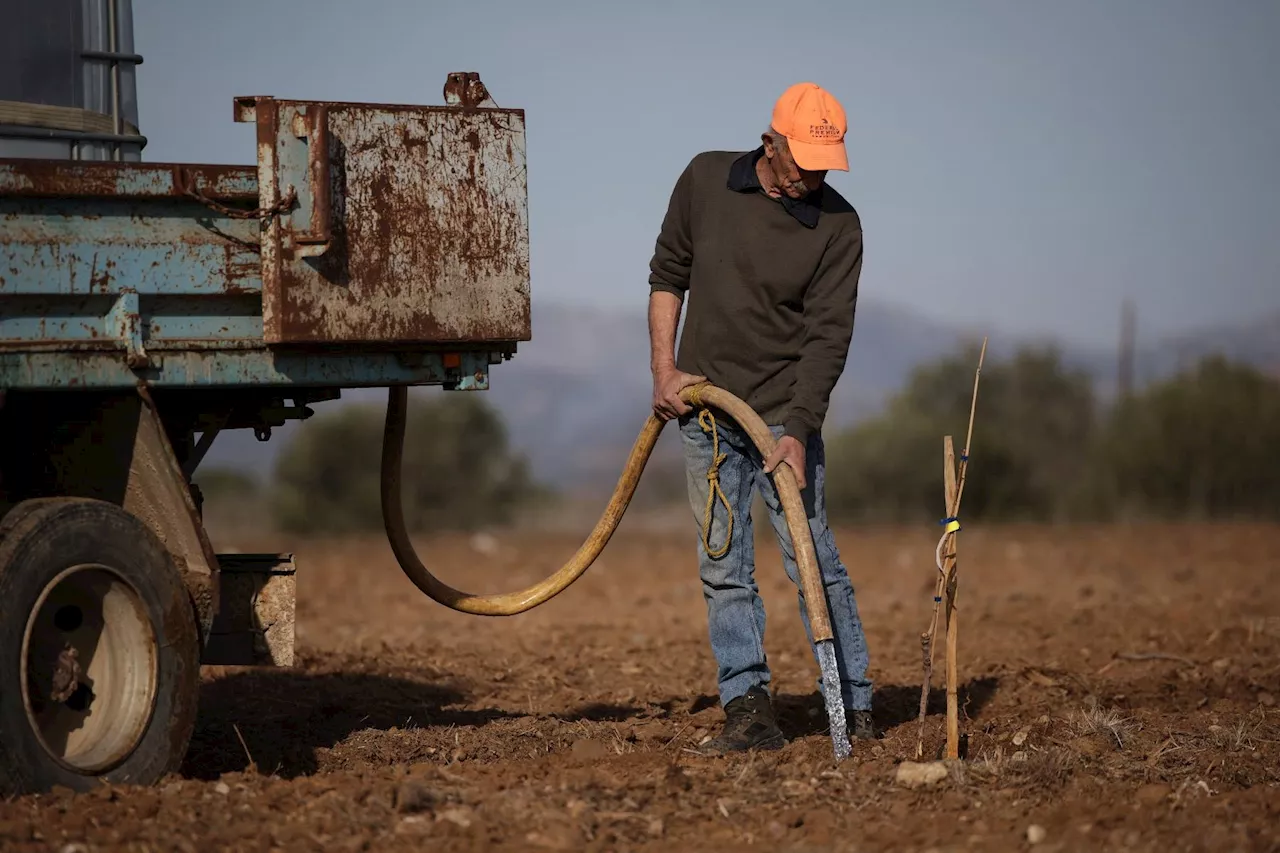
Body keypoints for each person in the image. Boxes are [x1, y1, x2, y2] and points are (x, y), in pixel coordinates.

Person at [646, 81, 875, 754]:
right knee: (723, 565)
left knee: (816, 561)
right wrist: (664, 371)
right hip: (708, 411)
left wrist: (800, 429)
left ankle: (854, 706)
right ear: (769, 142)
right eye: (803, 158)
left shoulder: (839, 226)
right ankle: (749, 714)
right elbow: (668, 275)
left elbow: (829, 337)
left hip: (781, 418)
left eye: (824, 162)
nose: (813, 174)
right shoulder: (705, 178)